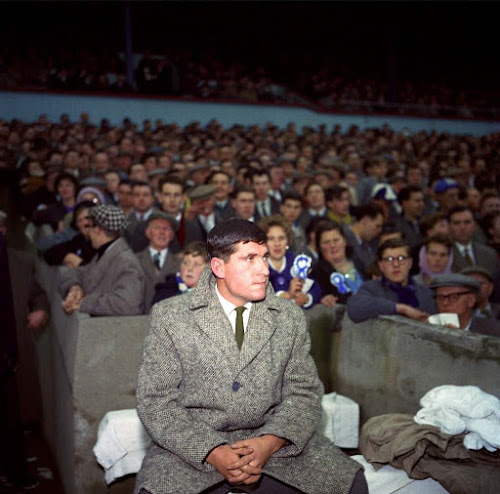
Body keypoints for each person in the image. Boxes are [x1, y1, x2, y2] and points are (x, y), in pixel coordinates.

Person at [135, 218, 366, 494]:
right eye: (250, 258)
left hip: (274, 444)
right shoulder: (171, 316)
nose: (264, 270)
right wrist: (212, 451)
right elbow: (156, 401)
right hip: (192, 448)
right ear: (218, 267)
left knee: (351, 484)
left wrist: (270, 442)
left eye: (264, 257)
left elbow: (304, 393)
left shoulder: (288, 317)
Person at [58, 205, 145, 316]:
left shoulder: (125, 262)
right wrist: (75, 287)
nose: (87, 232)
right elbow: (80, 273)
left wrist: (83, 302)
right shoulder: (106, 253)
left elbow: (127, 305)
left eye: (88, 226)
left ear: (98, 230)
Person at [347, 238, 437, 323]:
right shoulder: (371, 288)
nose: (396, 264)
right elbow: (354, 308)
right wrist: (401, 308)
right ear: (381, 266)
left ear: (410, 263)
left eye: (401, 258)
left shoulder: (424, 293)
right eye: (389, 259)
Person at [258, 215, 321, 309]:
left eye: (281, 238)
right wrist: (287, 295)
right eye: (271, 239)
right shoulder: (257, 266)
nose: (277, 244)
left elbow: (316, 289)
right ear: (263, 242)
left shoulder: (298, 262)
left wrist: (306, 298)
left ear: (287, 241)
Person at [310, 220, 364, 308]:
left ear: (345, 241)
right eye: (326, 242)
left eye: (336, 240)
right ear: (319, 247)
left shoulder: (359, 263)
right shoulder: (316, 274)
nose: (332, 245)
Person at [136, 211, 181, 312]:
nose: (162, 233)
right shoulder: (134, 260)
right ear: (148, 232)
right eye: (157, 228)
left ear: (172, 235)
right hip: (138, 318)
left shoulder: (181, 264)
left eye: (166, 229)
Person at [430, 273, 500, 337]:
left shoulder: (493, 331)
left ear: (471, 300)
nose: (445, 303)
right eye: (440, 297)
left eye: (454, 297)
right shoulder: (430, 329)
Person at [448, 205, 500, 279]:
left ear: (474, 225)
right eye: (457, 223)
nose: (462, 227)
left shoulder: (490, 254)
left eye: (467, 222)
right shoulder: (444, 253)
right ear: (449, 226)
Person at [152, 241, 208, 305]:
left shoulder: (212, 294)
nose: (190, 269)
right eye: (186, 263)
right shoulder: (164, 292)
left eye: (197, 264)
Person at [43, 200, 97, 267]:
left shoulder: (103, 241)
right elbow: (50, 254)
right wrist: (69, 257)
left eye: (87, 218)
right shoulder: (79, 240)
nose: (85, 223)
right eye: (80, 220)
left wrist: (79, 263)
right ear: (77, 225)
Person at [343, 204, 384, 278]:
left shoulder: (366, 245)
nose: (379, 231)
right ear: (366, 220)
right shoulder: (344, 239)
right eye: (377, 226)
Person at [123, 181, 158, 252]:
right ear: (132, 198)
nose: (141, 199)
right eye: (137, 195)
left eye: (146, 195)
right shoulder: (125, 220)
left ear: (152, 198)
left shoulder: (162, 219)